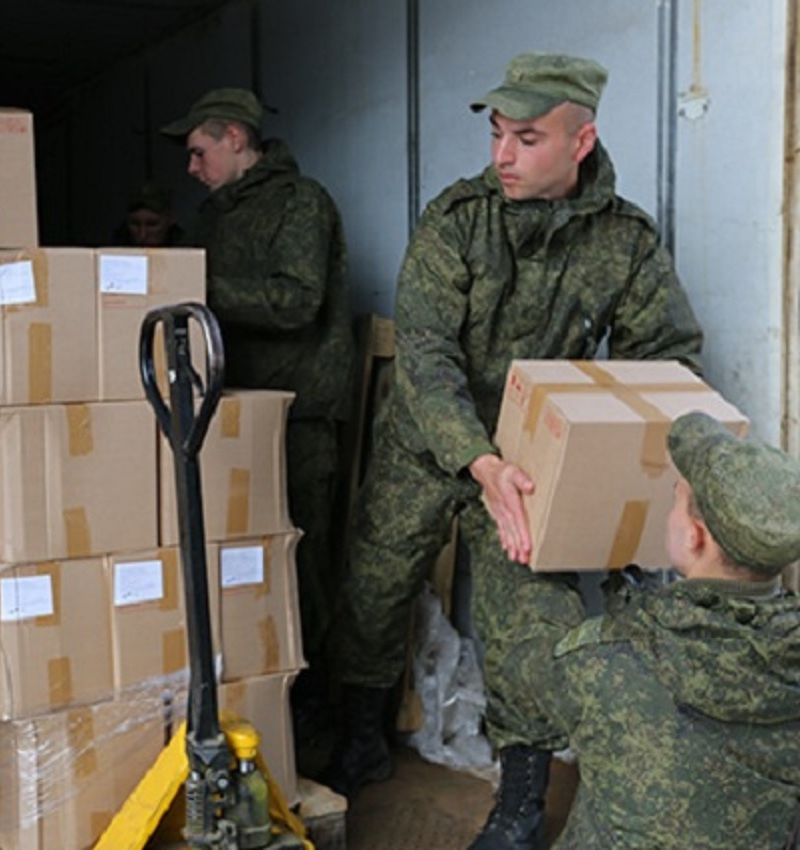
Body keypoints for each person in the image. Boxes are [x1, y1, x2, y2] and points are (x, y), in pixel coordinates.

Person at [324, 51, 705, 845]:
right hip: (431, 440)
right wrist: (476, 458)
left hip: (532, 462)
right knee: (373, 585)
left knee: (533, 625)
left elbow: (666, 355)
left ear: (581, 140)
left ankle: (520, 803)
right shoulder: (457, 219)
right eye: (498, 134)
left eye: (526, 138)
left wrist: (607, 454)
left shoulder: (625, 241)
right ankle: (355, 734)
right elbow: (425, 353)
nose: (502, 155)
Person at [495, 411, 800, 849]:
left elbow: (527, 664)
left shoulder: (610, 665)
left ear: (695, 537)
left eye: (675, 498)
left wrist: (533, 558)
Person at [161, 88, 356, 740]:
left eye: (198, 151)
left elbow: (297, 301)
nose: (191, 168)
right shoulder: (216, 216)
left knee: (303, 567)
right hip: (234, 414)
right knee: (247, 569)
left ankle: (330, 721)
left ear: (235, 139)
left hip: (298, 416)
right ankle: (270, 710)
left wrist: (197, 291)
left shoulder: (301, 203)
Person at [111, 181, 186, 247]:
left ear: (171, 218)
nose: (142, 234)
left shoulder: (187, 249)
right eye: (135, 224)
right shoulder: (115, 248)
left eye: (152, 224)